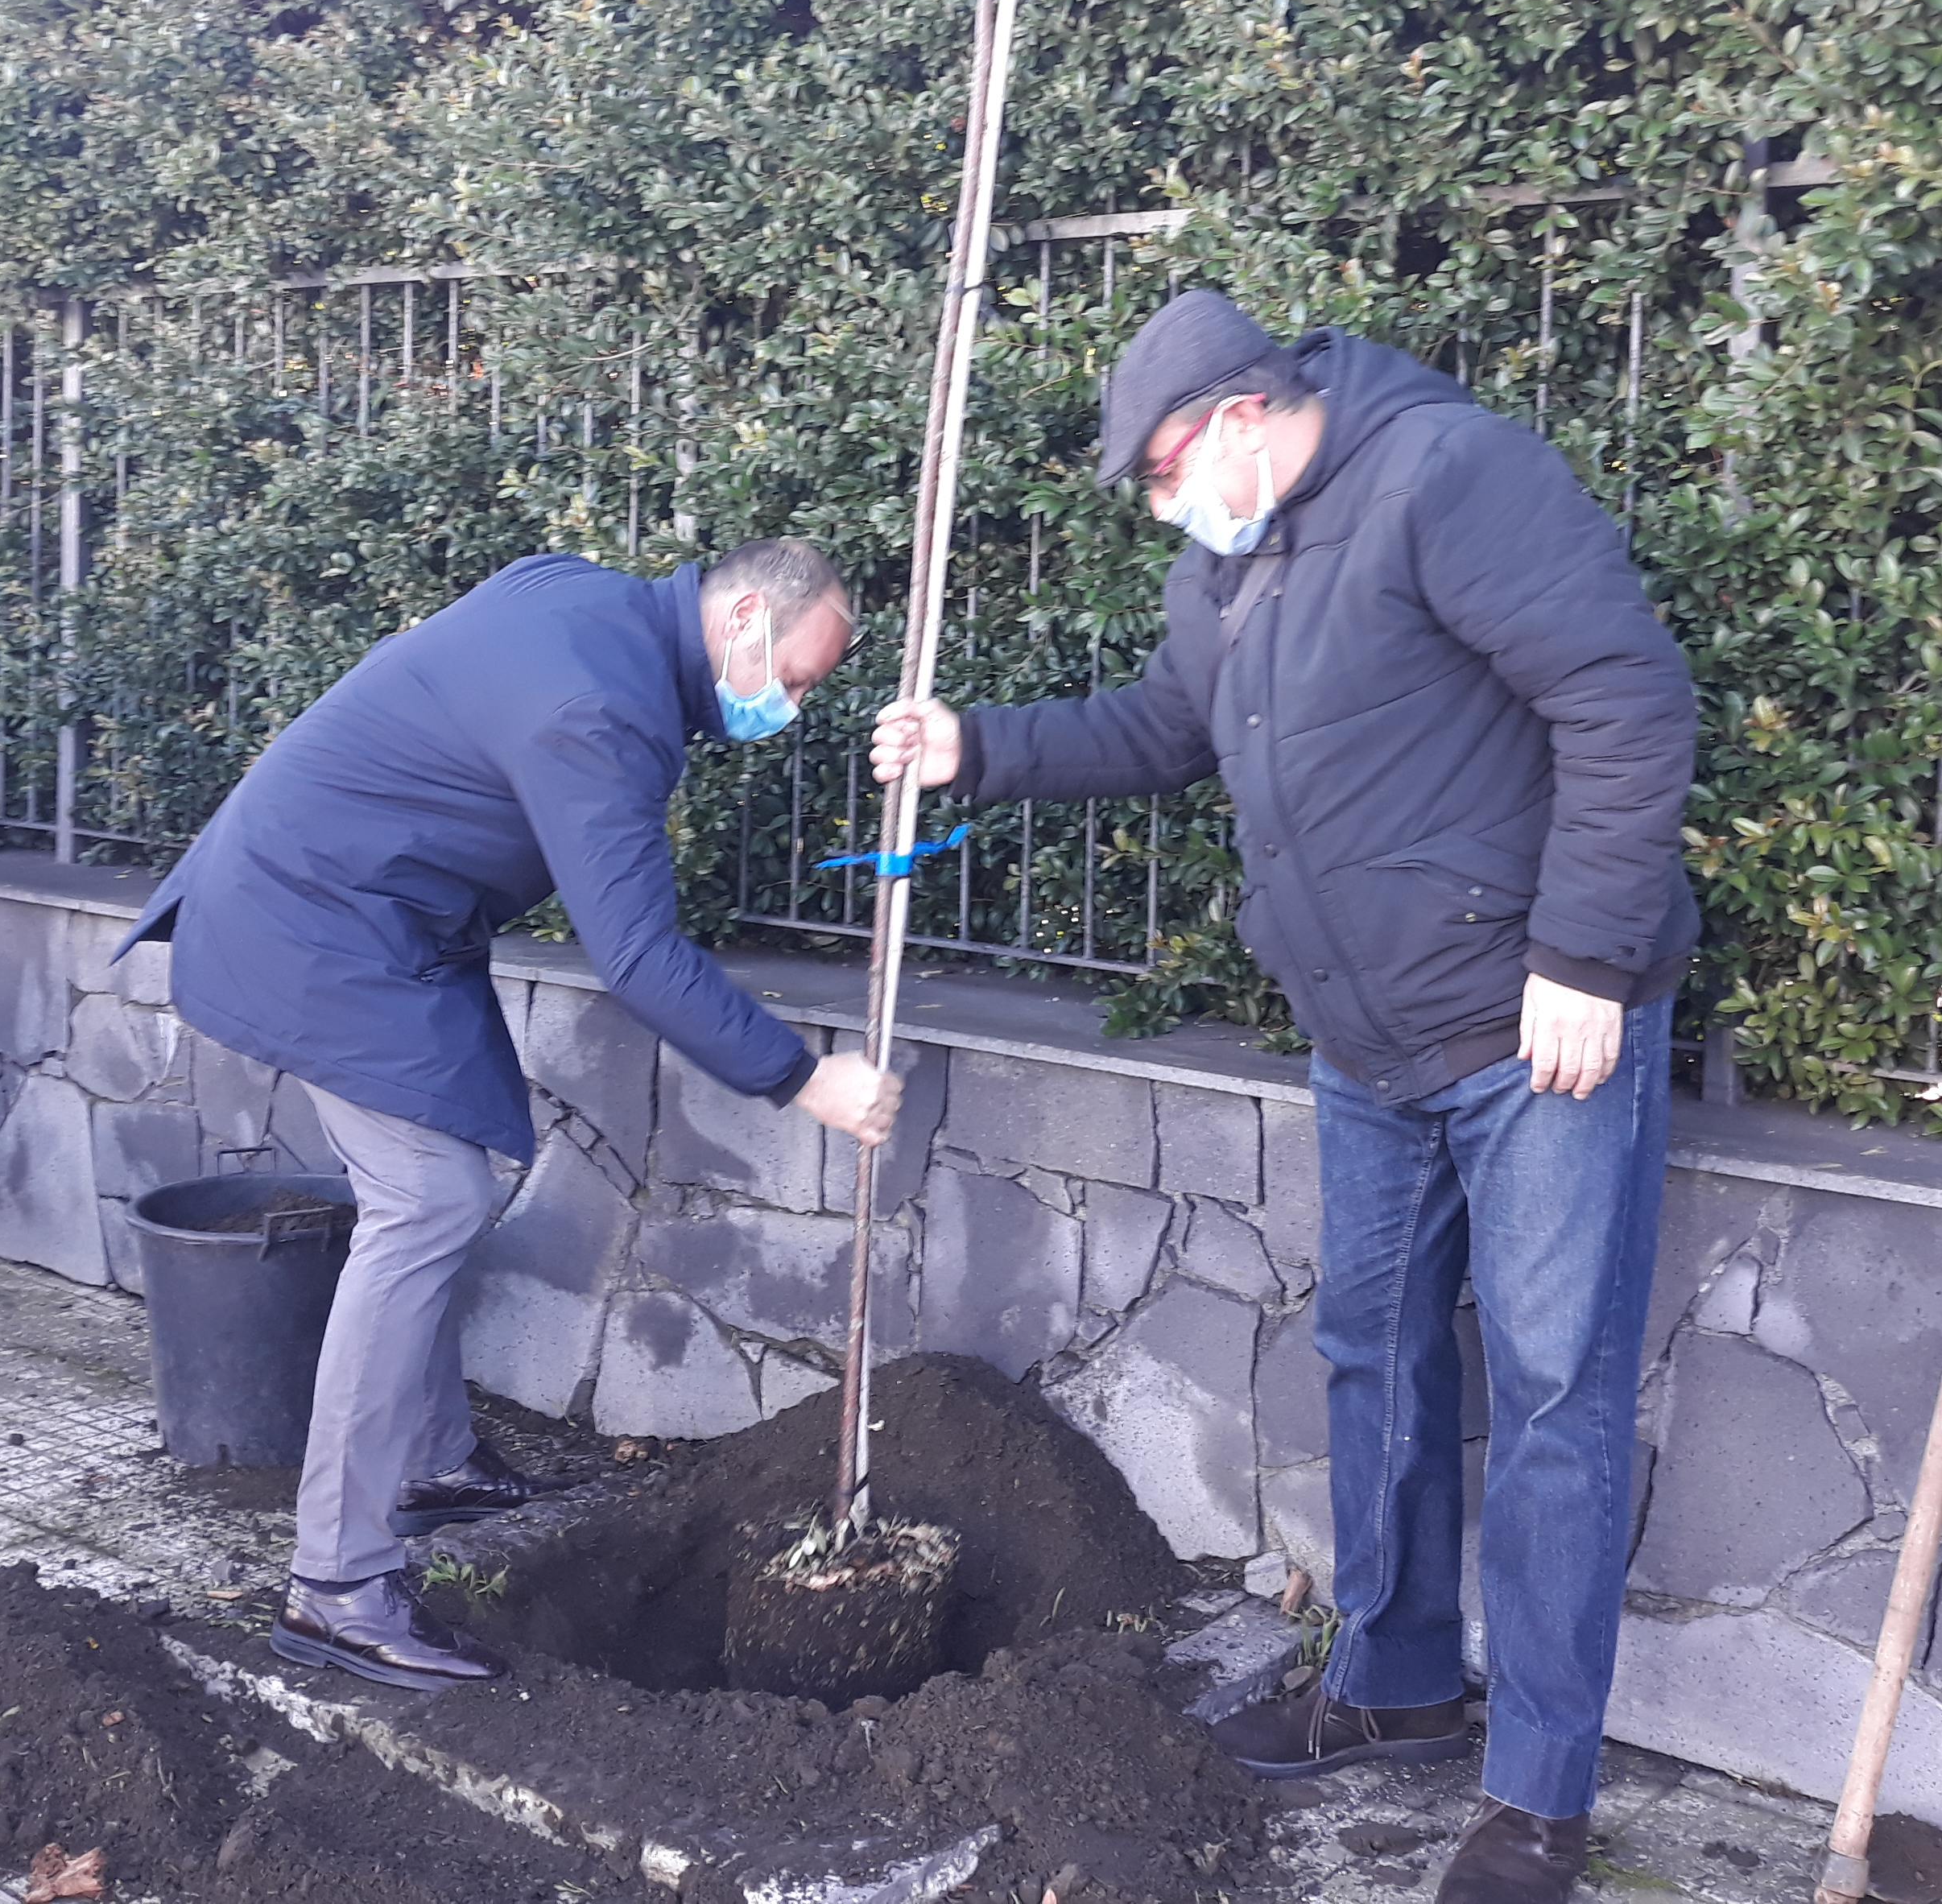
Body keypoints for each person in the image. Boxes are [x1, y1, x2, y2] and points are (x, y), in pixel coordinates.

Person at [871, 291, 1697, 1904]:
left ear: (1243, 415)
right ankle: (1394, 1684)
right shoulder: (1226, 568)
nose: (1163, 504)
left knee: (1552, 1400)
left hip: (1532, 1034)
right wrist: (977, 745)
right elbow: (1159, 728)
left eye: (1166, 467)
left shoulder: (1447, 475)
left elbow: (1622, 695)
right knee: (1371, 1355)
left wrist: (1586, 957)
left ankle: (1538, 1797)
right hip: (1367, 1044)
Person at [117, 537, 902, 1694]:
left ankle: (431, 1462)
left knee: (435, 1190)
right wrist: (801, 1078)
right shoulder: (601, 709)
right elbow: (636, 956)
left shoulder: (585, 598)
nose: (790, 706)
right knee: (427, 1203)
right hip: (315, 927)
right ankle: (336, 1585)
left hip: (371, 920)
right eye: (793, 677)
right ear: (742, 618)